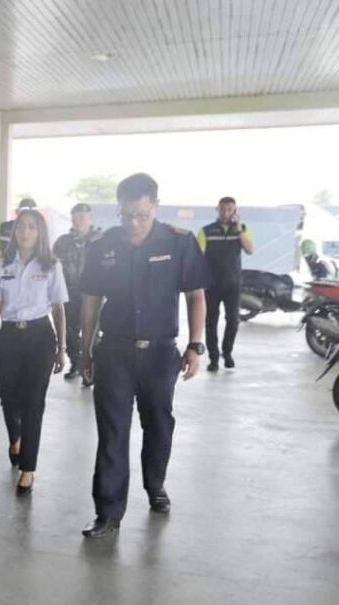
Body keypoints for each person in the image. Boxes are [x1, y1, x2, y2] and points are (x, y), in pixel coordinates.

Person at [78, 173, 210, 537]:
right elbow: (90, 301)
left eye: (142, 215)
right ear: (118, 209)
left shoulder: (179, 242)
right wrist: (85, 351)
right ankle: (108, 513)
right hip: (114, 352)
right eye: (127, 215)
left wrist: (195, 345)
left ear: (156, 207)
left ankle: (155, 484)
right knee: (112, 432)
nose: (134, 223)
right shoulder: (104, 245)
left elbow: (196, 295)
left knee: (159, 426)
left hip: (159, 355)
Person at [0, 210, 68, 494]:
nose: (25, 232)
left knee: (34, 402)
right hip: (9, 337)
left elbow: (58, 308)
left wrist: (62, 348)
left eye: (31, 227)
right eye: (20, 227)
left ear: (40, 232)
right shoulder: (2, 264)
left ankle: (28, 469)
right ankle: (15, 437)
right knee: (7, 395)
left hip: (40, 337)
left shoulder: (51, 265)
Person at [196, 197, 255, 371]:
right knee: (210, 322)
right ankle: (213, 358)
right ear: (217, 209)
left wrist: (239, 230)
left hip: (233, 284)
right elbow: (198, 256)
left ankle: (227, 353)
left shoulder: (243, 230)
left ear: (235, 211)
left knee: (233, 321)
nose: (226, 213)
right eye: (223, 209)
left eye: (230, 210)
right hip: (211, 285)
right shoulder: (206, 231)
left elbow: (250, 250)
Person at [52, 202, 103, 383]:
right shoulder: (62, 242)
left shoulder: (100, 240)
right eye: (75, 218)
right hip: (68, 293)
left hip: (94, 294)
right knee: (68, 332)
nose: (78, 221)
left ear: (90, 218)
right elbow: (52, 264)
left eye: (82, 217)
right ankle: (77, 364)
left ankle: (91, 368)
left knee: (93, 333)